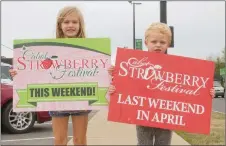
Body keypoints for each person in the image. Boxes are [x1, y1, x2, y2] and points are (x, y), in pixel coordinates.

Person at [107, 22, 215, 145]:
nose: (158, 45)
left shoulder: (176, 67)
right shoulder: (136, 64)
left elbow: (190, 88)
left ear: (168, 44)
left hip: (166, 118)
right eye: (154, 42)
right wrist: (114, 82)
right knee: (144, 144)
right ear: (146, 42)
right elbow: (125, 87)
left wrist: (207, 92)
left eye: (162, 42)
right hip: (142, 116)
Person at [9, 6, 91, 146]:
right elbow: (37, 70)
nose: (70, 25)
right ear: (60, 25)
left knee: (80, 141)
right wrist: (19, 74)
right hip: (56, 99)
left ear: (80, 24)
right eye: (66, 22)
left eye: (74, 22)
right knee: (59, 140)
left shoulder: (90, 48)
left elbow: (97, 71)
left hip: (81, 99)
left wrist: (108, 71)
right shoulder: (48, 49)